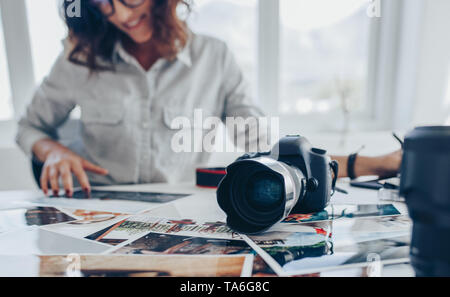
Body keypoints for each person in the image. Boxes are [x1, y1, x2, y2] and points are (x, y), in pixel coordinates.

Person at [16, 0, 401, 197]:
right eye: (103, 2)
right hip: (96, 217)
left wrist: (377, 164)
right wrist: (51, 150)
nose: (119, 14)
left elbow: (271, 149)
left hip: (176, 220)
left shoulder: (215, 59)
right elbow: (30, 127)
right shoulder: (79, 59)